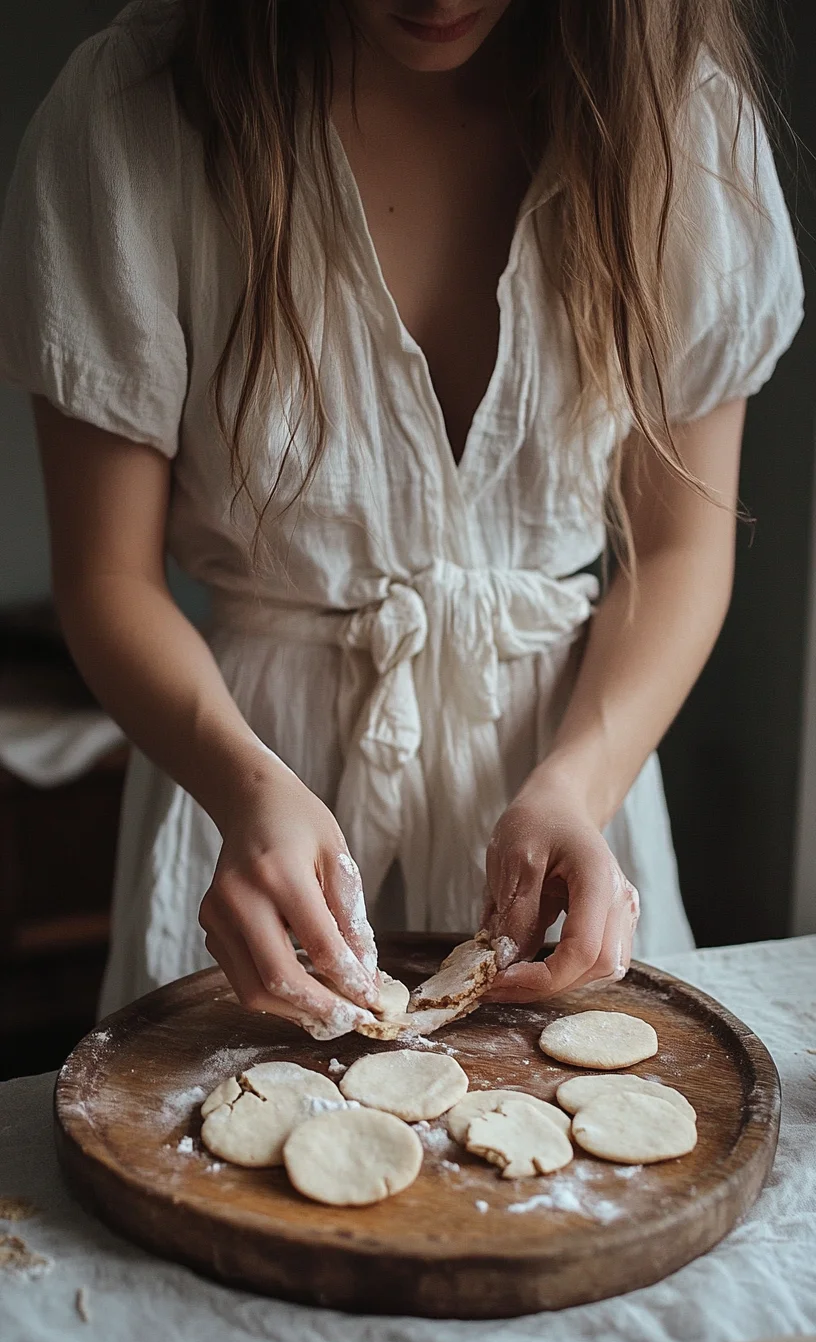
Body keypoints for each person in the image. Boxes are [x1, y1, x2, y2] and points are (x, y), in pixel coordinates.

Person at [0, 1, 803, 1036]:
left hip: (578, 800)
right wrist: (248, 791)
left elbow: (681, 546)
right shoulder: (131, 119)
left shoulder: (680, 129)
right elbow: (107, 576)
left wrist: (578, 783)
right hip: (250, 793)